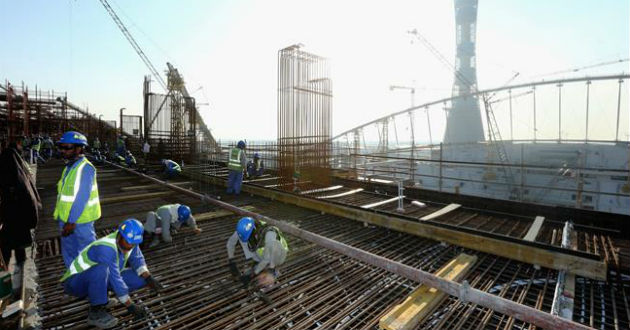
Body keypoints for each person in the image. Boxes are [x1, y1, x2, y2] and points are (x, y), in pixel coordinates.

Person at [61, 219, 162, 329]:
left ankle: (100, 297)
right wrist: (130, 305)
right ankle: (95, 313)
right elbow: (115, 278)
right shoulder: (106, 248)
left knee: (140, 279)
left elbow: (138, 259)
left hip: (99, 278)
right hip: (75, 283)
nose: (130, 246)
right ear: (120, 235)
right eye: (128, 242)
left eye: (133, 244)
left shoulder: (131, 242)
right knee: (102, 269)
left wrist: (149, 277)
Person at [0, 139, 41, 296]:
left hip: (15, 217)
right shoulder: (21, 169)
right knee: (19, 249)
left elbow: (7, 203)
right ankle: (18, 285)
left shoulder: (8, 176)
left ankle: (10, 289)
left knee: (5, 249)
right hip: (25, 216)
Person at [54, 131, 101, 268]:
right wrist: (62, 218)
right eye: (61, 147)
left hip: (80, 221)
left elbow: (82, 197)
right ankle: (74, 277)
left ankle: (92, 281)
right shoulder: (69, 167)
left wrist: (72, 221)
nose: (63, 151)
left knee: (88, 254)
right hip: (65, 219)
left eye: (67, 147)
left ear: (79, 148)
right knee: (69, 253)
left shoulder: (85, 168)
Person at [226, 217, 288, 291]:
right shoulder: (245, 229)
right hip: (264, 250)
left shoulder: (269, 234)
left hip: (277, 253)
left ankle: (274, 273)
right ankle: (258, 267)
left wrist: (255, 274)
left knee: (266, 275)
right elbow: (230, 243)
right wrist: (231, 261)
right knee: (256, 253)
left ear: (254, 229)